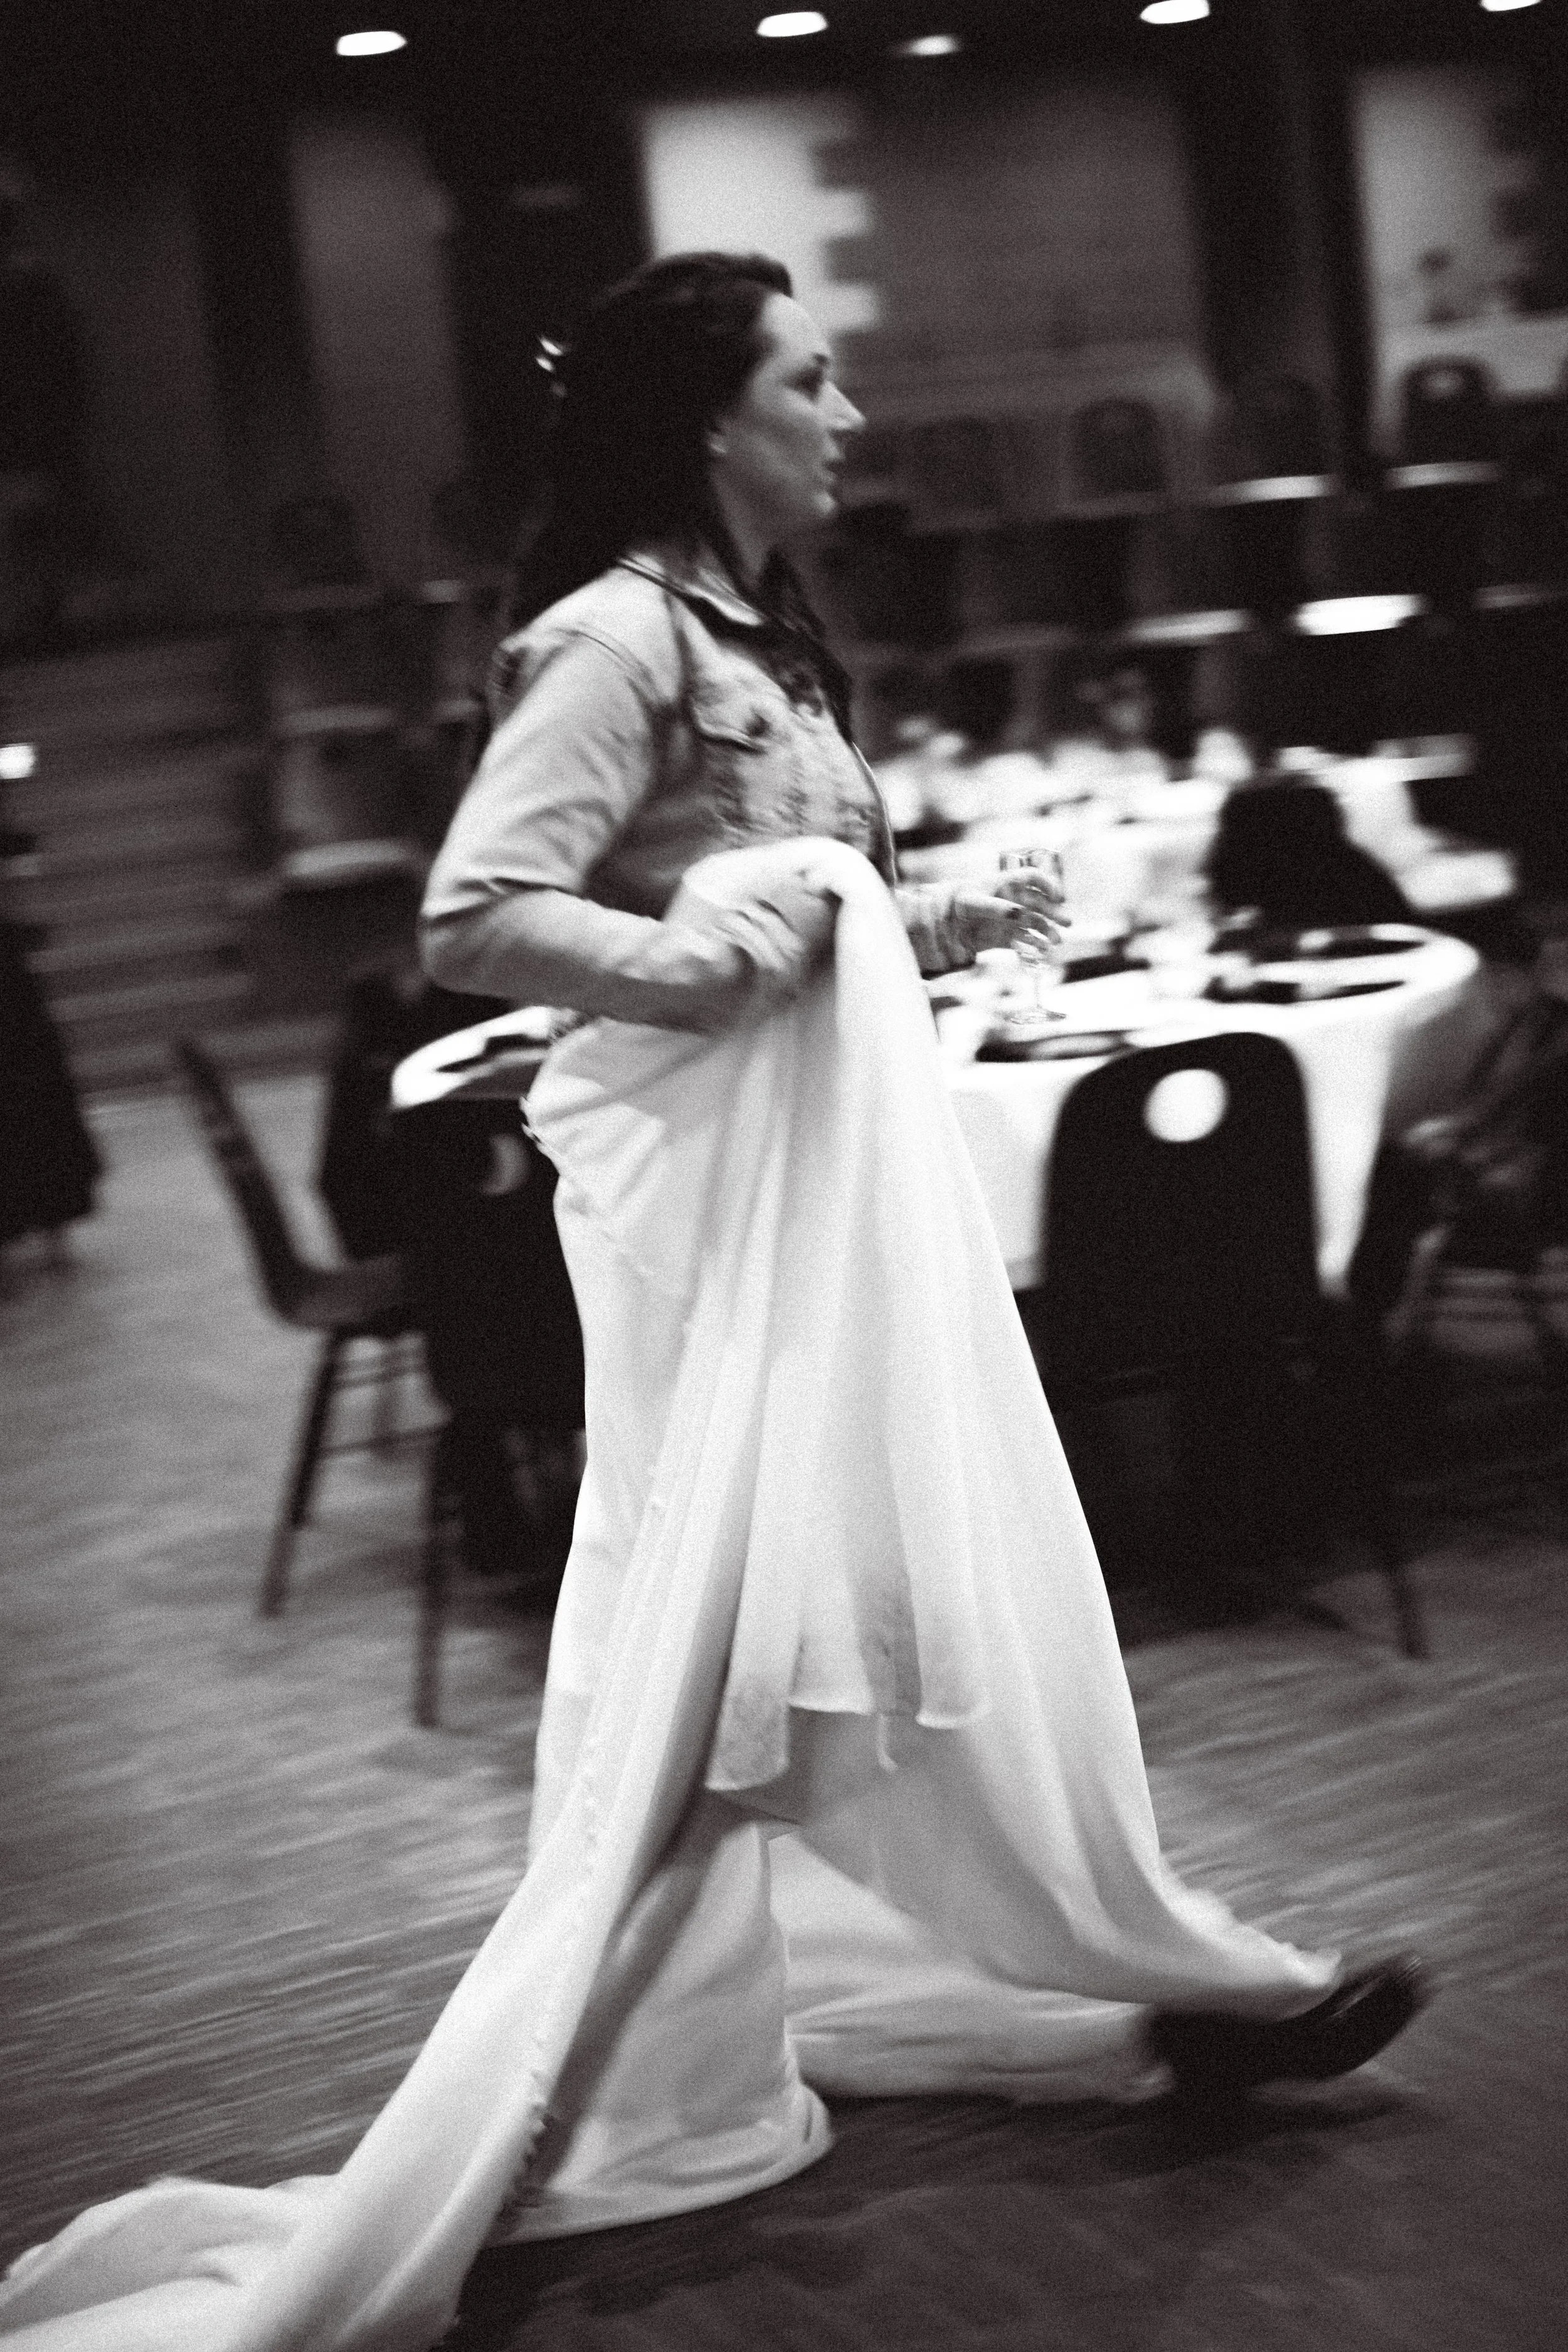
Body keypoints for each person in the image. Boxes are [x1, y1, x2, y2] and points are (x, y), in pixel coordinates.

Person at [0, 254, 1426, 2352]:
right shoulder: (615, 638)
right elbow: (485, 919)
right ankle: (1165, 1988)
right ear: (711, 420)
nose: (851, 415)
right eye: (813, 377)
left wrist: (968, 906)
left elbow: (817, 922)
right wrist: (709, 966)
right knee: (726, 1687)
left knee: (829, 1657)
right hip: (718, 1266)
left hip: (808, 1244)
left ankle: (1150, 1982)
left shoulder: (776, 643)